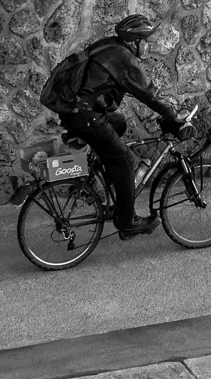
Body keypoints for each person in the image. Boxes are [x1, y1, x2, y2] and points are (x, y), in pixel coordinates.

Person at [45, 13, 187, 239]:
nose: (148, 47)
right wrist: (174, 114)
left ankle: (113, 188)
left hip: (78, 111)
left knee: (119, 124)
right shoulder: (123, 58)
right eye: (146, 42)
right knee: (124, 160)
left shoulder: (110, 46)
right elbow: (149, 93)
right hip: (87, 116)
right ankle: (127, 221)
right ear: (134, 42)